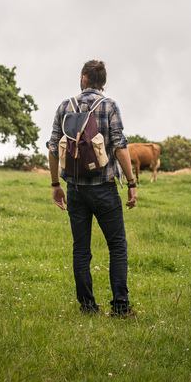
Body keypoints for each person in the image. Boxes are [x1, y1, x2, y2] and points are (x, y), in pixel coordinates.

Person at [48, 60, 138, 317]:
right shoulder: (109, 106)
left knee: (81, 249)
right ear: (103, 82)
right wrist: (131, 183)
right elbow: (120, 146)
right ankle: (120, 307)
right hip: (105, 188)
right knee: (117, 246)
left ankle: (88, 307)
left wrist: (55, 184)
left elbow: (53, 147)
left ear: (83, 78)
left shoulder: (65, 106)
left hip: (75, 189)